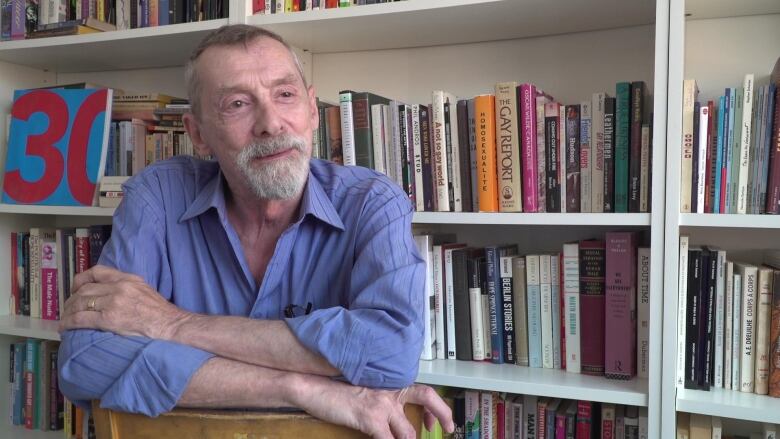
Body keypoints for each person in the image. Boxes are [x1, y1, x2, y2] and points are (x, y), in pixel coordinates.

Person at [57, 24, 454, 439]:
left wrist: (174, 326)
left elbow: (390, 354)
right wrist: (302, 386)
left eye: (285, 95)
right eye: (237, 104)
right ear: (198, 135)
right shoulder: (158, 195)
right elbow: (83, 361)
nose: (271, 123)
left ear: (313, 110)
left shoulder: (373, 202)